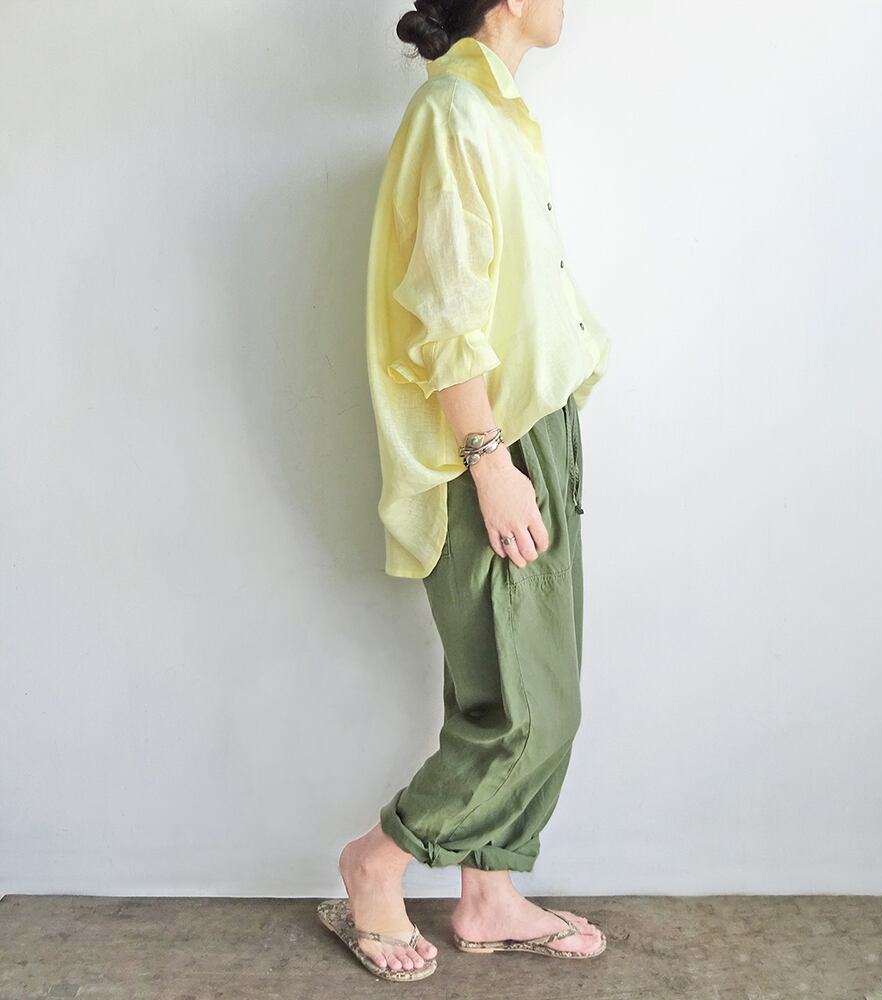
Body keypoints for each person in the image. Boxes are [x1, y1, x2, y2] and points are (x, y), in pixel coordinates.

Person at [319, 0, 611, 982]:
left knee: (513, 686)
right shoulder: (452, 115)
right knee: (528, 712)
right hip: (491, 440)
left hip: (535, 430)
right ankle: (377, 862)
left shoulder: (494, 113)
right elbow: (444, 314)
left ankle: (488, 895)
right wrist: (489, 460)